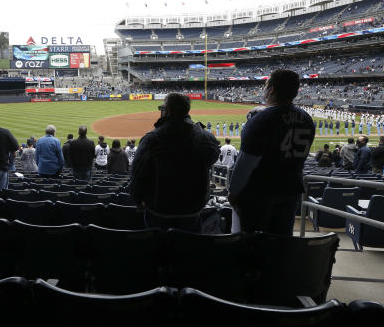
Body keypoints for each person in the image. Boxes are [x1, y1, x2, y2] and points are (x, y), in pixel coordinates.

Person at [228, 70, 315, 236]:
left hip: (261, 191)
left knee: (254, 243)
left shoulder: (260, 119)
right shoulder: (306, 118)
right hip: (291, 189)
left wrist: (234, 192)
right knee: (282, 242)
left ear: (272, 90)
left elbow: (246, 163)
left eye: (266, 84)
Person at [130, 93, 220, 233]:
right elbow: (213, 156)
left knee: (158, 247)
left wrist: (137, 199)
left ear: (169, 110)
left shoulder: (152, 139)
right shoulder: (206, 137)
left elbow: (137, 172)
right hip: (192, 209)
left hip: (159, 210)